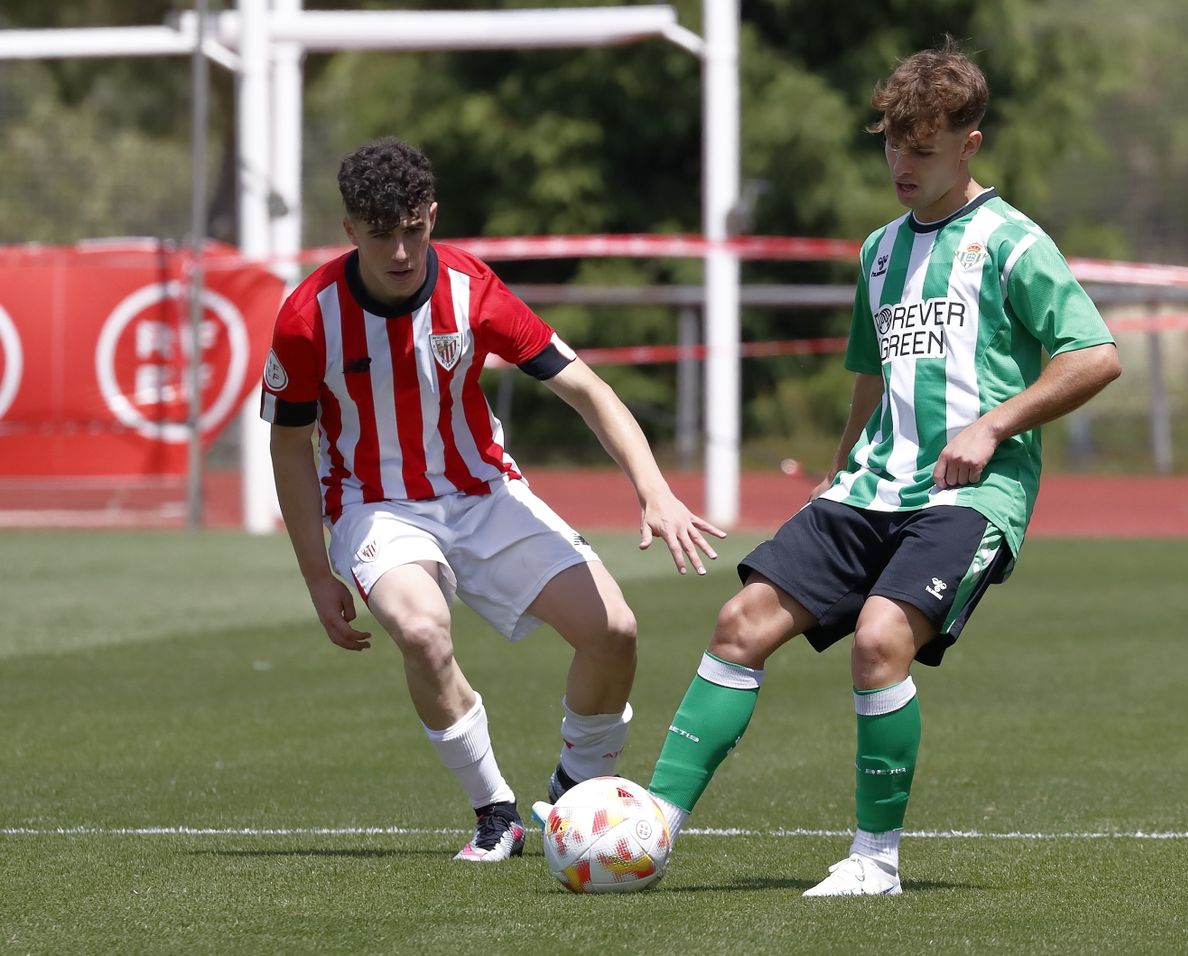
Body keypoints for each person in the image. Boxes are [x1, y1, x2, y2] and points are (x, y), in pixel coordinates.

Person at [636, 42, 1121, 896]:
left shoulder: (1014, 242)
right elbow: (872, 371)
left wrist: (992, 426)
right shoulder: (880, 252)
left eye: (923, 149)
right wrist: (835, 470)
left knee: (878, 640)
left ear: (969, 145)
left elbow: (1094, 356)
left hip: (970, 493)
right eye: (893, 144)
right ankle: (649, 833)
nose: (902, 163)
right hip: (870, 486)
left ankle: (874, 861)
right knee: (739, 623)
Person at [260, 137, 724, 862]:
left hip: (485, 491)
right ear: (351, 231)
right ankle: (495, 810)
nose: (402, 252)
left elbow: (585, 387)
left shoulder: (472, 290)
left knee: (616, 633)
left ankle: (576, 796)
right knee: (421, 631)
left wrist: (654, 491)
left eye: (415, 229)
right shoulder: (305, 319)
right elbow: (289, 445)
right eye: (382, 235)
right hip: (374, 505)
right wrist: (317, 572)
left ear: (432, 216)